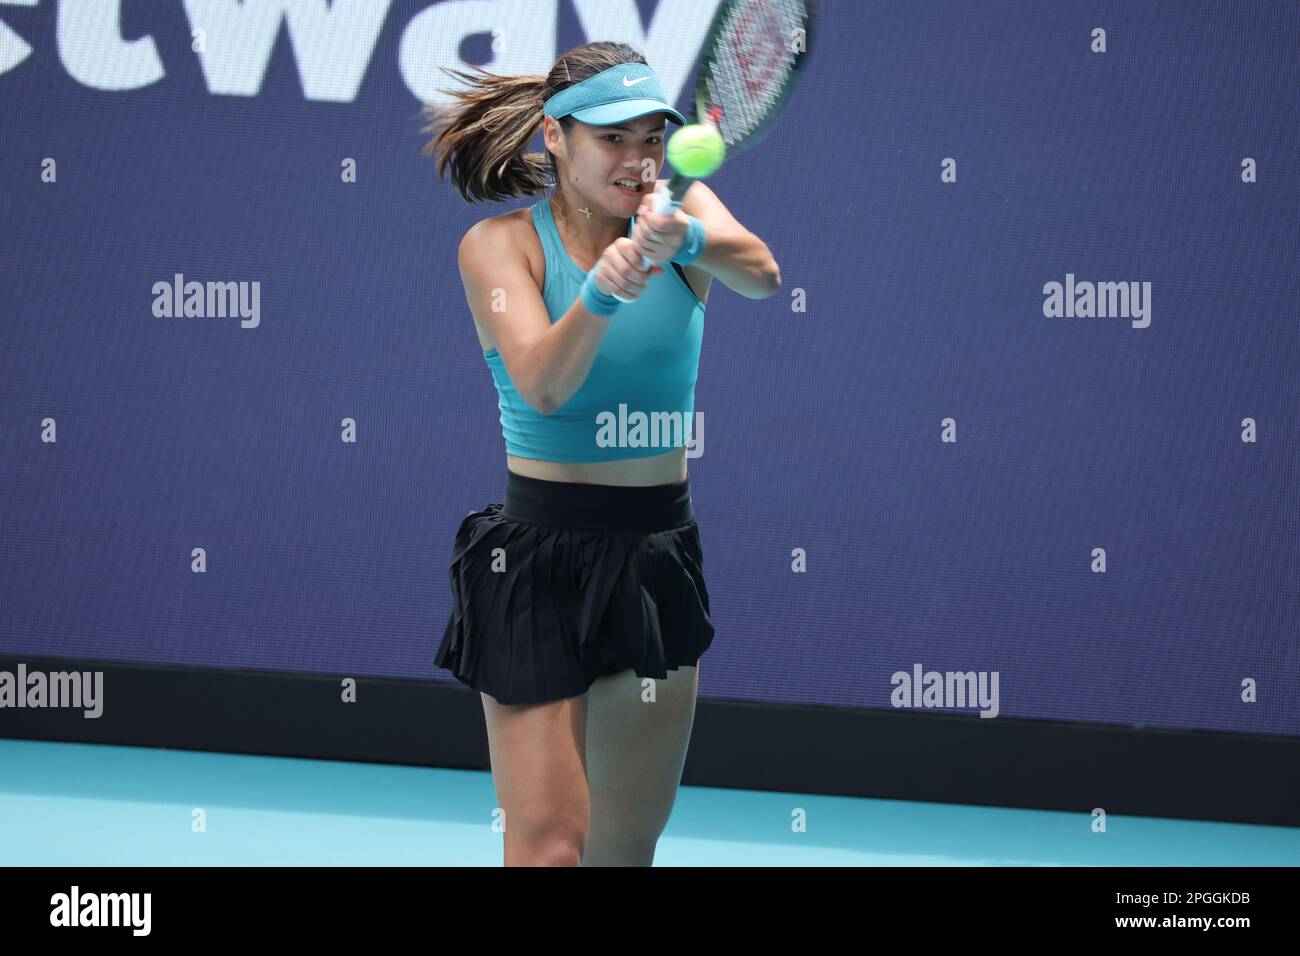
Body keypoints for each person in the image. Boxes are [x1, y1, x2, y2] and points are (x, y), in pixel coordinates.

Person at [420, 41, 780, 867]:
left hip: (655, 558)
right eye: (611, 137)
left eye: (650, 137)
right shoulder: (499, 245)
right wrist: (605, 289)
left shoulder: (688, 210)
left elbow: (762, 274)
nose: (638, 157)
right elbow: (544, 386)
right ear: (556, 137)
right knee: (549, 851)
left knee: (622, 854)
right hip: (533, 567)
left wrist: (681, 241)